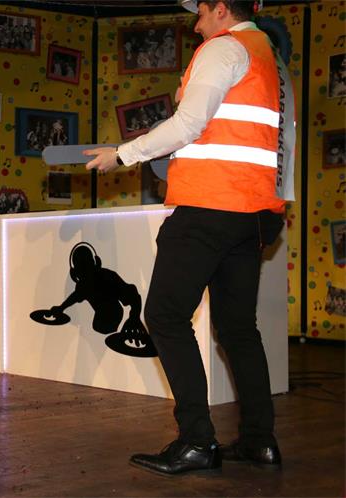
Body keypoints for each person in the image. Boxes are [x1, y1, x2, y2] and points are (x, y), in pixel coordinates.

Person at [83, 0, 295, 476]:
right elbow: (279, 141)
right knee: (238, 328)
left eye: (199, 13)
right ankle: (259, 440)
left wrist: (123, 154)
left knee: (164, 316)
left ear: (220, 10)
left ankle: (197, 441)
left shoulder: (224, 48)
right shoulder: (270, 58)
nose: (195, 25)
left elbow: (189, 124)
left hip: (208, 207)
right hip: (254, 212)